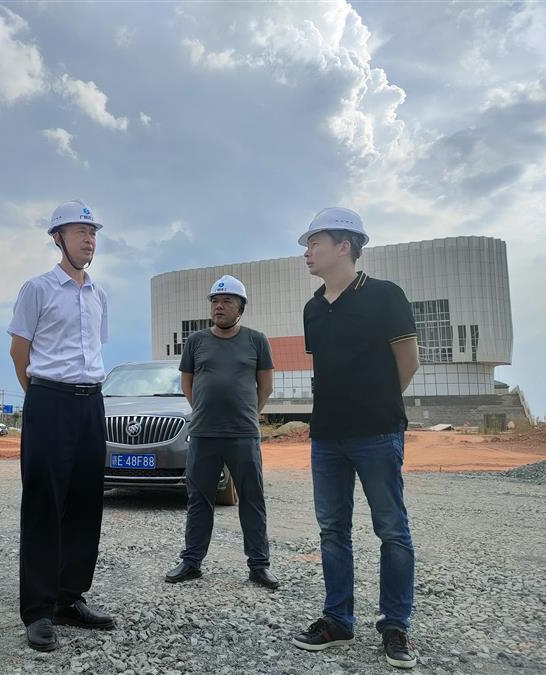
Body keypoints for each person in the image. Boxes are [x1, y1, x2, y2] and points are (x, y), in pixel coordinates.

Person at [292, 207, 420, 669]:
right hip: (327, 436)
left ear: (344, 245)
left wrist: (377, 405)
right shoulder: (313, 308)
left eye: (314, 242)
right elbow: (326, 369)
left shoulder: (385, 295)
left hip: (377, 432)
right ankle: (337, 620)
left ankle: (395, 626)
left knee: (391, 529)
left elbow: (408, 360)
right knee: (332, 530)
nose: (307, 251)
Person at [8, 200, 114, 652]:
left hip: (92, 403)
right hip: (50, 400)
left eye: (93, 232)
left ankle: (70, 597)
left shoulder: (98, 295)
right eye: (79, 231)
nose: (88, 239)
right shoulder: (38, 288)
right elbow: (20, 351)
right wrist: (42, 398)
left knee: (86, 502)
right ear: (57, 238)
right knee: (43, 505)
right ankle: (38, 609)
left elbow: (94, 351)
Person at [164, 275, 279, 589]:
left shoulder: (256, 340)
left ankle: (259, 566)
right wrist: (205, 410)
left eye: (227, 301)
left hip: (243, 434)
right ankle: (191, 562)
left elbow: (266, 386)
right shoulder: (196, 342)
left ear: (241, 307)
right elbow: (187, 384)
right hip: (204, 433)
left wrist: (248, 415)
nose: (219, 306)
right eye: (215, 301)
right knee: (199, 499)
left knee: (252, 499)